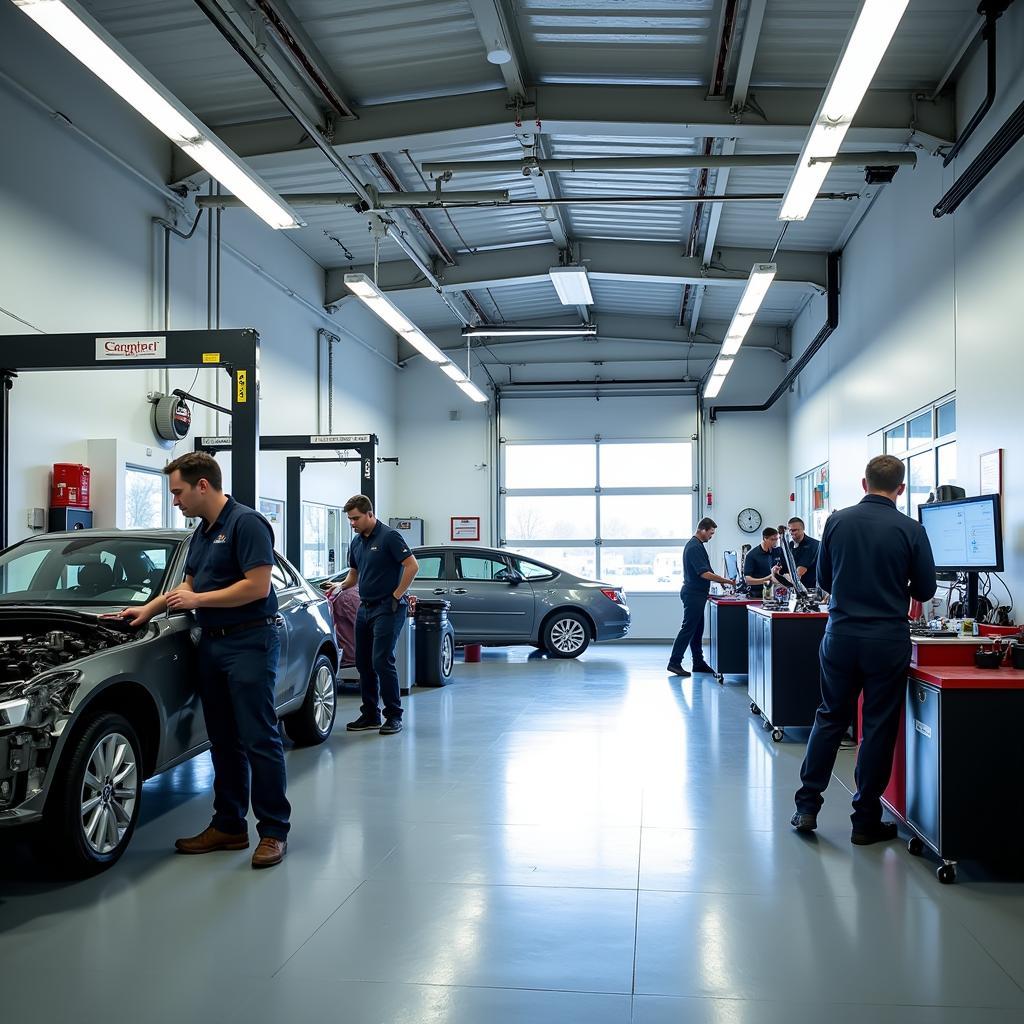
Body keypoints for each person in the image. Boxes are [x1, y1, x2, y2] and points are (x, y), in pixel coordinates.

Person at [118, 452, 289, 868]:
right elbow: (188, 583)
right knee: (223, 740)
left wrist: (197, 600)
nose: (175, 500)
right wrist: (150, 608)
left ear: (202, 486)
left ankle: (273, 832)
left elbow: (256, 586)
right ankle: (229, 826)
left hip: (249, 641)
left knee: (259, 738)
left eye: (177, 492)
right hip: (212, 643)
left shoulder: (247, 523)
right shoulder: (202, 532)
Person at [792, 455, 936, 844]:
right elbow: (925, 590)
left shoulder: (836, 522)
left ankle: (807, 807)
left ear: (863, 483)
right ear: (901, 489)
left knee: (830, 718)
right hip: (886, 641)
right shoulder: (911, 529)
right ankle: (864, 821)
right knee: (876, 727)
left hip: (840, 637)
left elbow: (823, 580)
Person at [334, 495, 419, 734]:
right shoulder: (357, 542)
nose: (352, 523)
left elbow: (412, 566)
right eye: (350, 519)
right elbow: (354, 575)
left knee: (381, 660)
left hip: (388, 607)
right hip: (365, 607)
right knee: (363, 663)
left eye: (356, 518)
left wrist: (396, 595)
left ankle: (393, 716)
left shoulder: (390, 537)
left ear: (370, 514)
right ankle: (370, 714)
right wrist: (340, 586)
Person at [667, 517, 735, 677]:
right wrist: (726, 581)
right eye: (710, 533)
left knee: (697, 630)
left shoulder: (697, 545)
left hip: (698, 593)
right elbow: (703, 573)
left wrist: (719, 584)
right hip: (693, 594)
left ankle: (698, 662)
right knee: (688, 629)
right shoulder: (694, 547)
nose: (711, 537)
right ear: (702, 529)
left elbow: (705, 571)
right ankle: (674, 662)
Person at [777, 517, 820, 590]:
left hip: (810, 590)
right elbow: (781, 570)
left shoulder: (813, 545)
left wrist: (785, 575)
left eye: (794, 530)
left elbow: (797, 575)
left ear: (803, 529)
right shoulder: (789, 545)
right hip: (793, 589)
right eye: (790, 530)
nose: (791, 533)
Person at [743, 526, 783, 593]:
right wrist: (769, 578)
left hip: (776, 592)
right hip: (758, 594)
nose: (775, 542)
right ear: (765, 538)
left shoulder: (778, 551)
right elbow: (748, 580)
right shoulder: (751, 555)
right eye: (772, 539)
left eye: (777, 539)